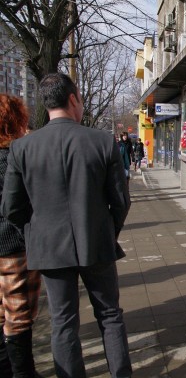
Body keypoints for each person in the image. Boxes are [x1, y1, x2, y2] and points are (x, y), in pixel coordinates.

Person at [1, 73, 132, 378]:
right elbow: (121, 201)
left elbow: (11, 208)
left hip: (49, 248)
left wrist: (35, 235)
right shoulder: (101, 140)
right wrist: (107, 232)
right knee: (110, 316)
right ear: (73, 99)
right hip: (97, 243)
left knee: (63, 323)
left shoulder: (22, 148)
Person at [0, 94, 42, 377]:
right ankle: (22, 373)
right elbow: (22, 204)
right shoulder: (14, 157)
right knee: (18, 314)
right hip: (13, 245)